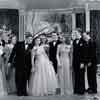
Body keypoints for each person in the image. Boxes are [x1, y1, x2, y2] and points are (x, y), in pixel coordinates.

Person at [72, 29, 85, 95]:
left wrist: (82, 62)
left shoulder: (83, 41)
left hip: (81, 62)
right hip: (75, 62)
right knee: (76, 76)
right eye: (74, 33)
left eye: (76, 33)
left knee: (81, 76)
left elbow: (84, 53)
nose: (75, 34)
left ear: (79, 33)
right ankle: (76, 89)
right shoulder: (74, 41)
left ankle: (81, 90)